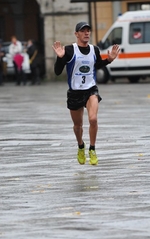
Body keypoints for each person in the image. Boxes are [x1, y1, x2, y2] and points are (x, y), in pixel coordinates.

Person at [52, 22, 120, 165]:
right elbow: (57, 72)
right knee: (78, 126)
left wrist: (108, 60)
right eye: (83, 31)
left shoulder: (94, 50)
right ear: (76, 34)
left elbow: (97, 65)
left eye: (88, 30)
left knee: (93, 119)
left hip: (90, 89)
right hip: (75, 92)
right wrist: (60, 58)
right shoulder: (70, 50)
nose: (86, 33)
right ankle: (81, 146)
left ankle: (92, 149)